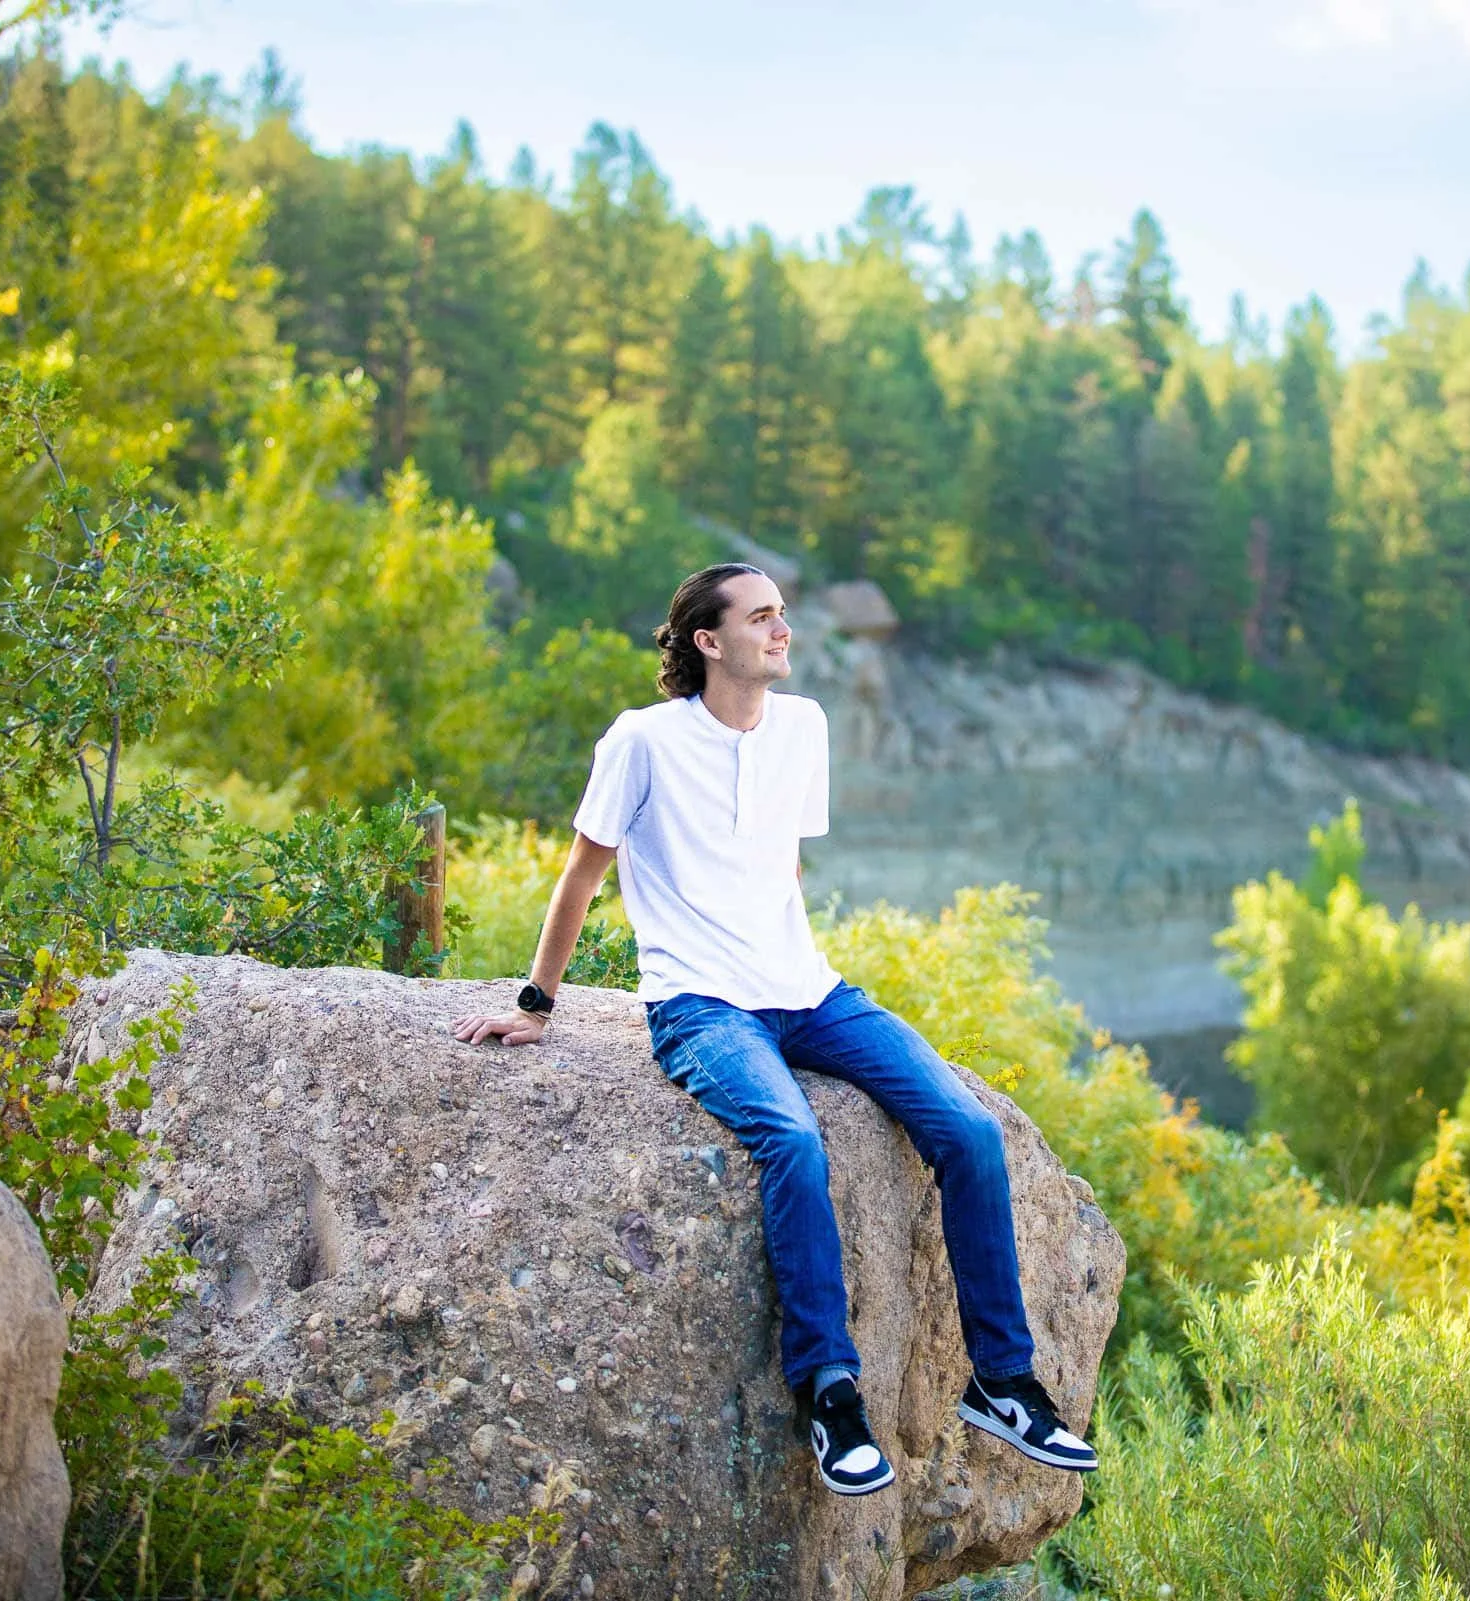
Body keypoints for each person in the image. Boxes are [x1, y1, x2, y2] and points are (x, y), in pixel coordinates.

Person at [451, 562, 1096, 1497]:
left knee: (969, 1133)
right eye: (762, 618)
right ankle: (831, 1395)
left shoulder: (803, 726)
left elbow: (779, 866)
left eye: (782, 614)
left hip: (809, 991)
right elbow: (582, 875)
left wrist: (799, 975)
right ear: (709, 642)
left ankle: (1001, 1382)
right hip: (700, 1003)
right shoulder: (642, 741)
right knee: (792, 1138)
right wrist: (535, 1003)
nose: (782, 630)